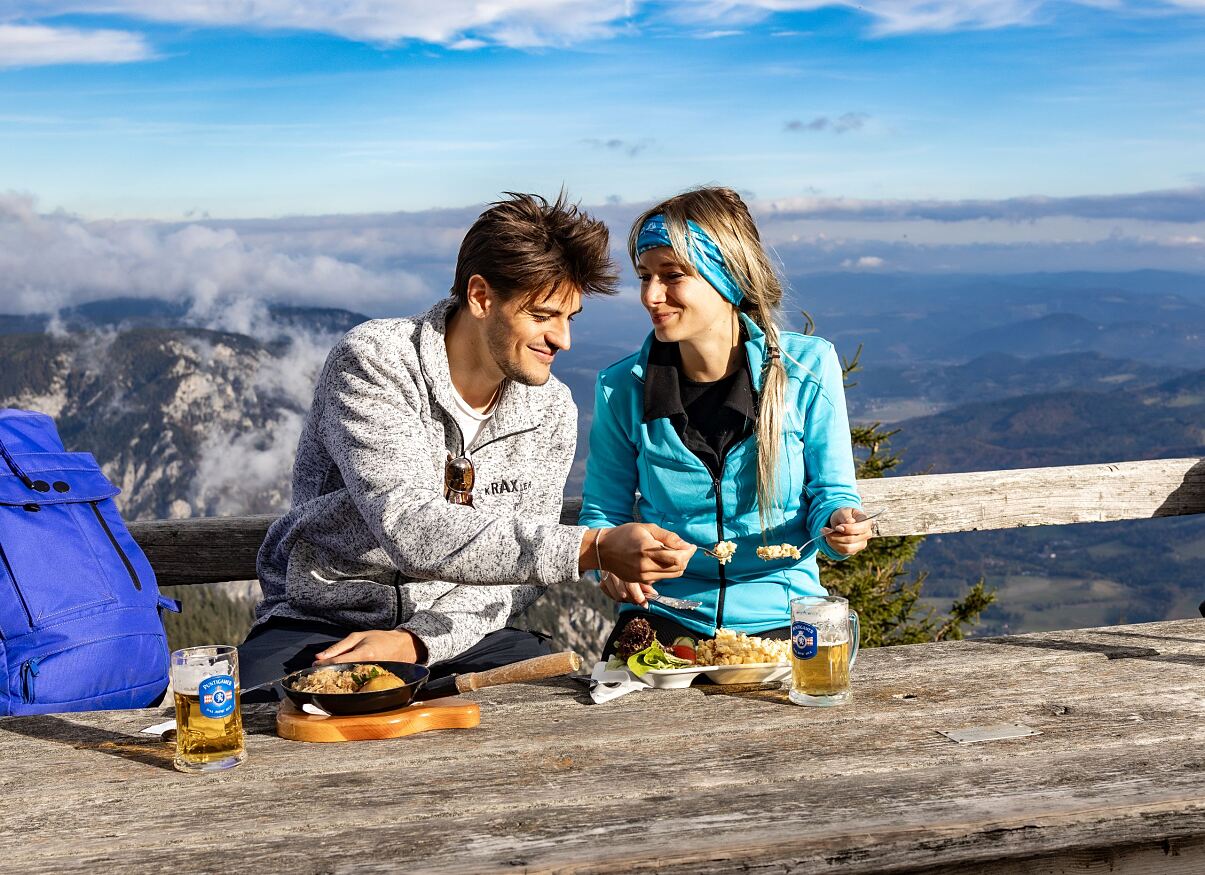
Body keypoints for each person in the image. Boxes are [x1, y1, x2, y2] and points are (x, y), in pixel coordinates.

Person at [240, 192, 694, 694]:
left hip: (458, 635)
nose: (562, 339)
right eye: (543, 315)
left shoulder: (550, 409)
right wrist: (593, 547)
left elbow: (516, 583)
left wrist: (417, 642)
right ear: (481, 297)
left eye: (570, 317)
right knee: (265, 718)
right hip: (323, 624)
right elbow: (410, 526)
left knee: (566, 711)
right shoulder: (377, 363)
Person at [578, 186, 873, 654]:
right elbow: (603, 515)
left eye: (672, 275)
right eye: (644, 276)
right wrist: (610, 565)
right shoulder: (622, 388)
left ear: (729, 276)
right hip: (663, 615)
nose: (651, 295)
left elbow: (831, 495)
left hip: (787, 614)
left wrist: (841, 525)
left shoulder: (806, 370)